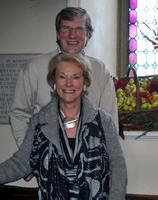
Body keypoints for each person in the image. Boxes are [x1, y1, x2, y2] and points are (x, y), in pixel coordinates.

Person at [0, 53, 127, 199]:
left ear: (84, 82)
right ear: (54, 81)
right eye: (62, 76)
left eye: (75, 77)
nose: (68, 83)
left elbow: (118, 167)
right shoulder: (39, 122)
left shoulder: (103, 121)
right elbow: (21, 163)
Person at [9, 7, 119, 148]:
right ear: (58, 34)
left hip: (90, 159)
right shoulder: (34, 67)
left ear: (88, 35)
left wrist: (108, 156)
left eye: (79, 29)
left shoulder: (100, 69)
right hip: (46, 157)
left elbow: (109, 119)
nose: (72, 35)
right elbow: (19, 114)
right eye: (66, 28)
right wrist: (30, 154)